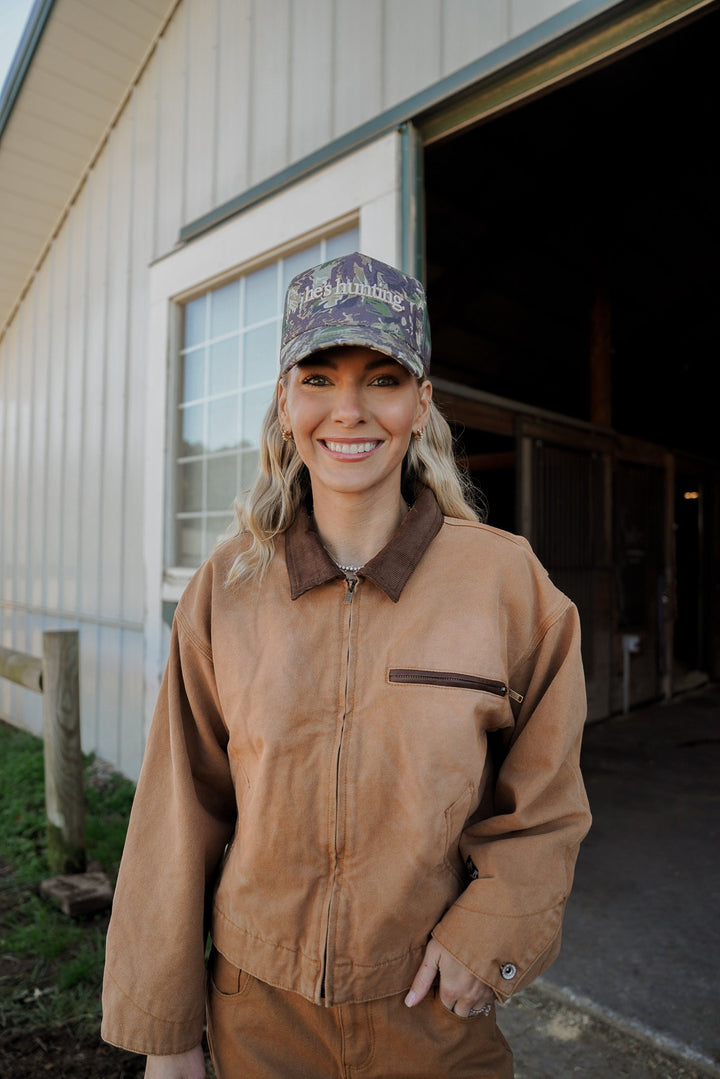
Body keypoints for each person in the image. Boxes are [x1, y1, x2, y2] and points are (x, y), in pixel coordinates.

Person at [102, 251, 591, 1079]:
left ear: (421, 402)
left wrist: (491, 934)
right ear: (285, 401)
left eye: (383, 377)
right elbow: (176, 817)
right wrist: (166, 1030)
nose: (350, 410)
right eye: (320, 378)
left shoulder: (507, 583)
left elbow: (545, 802)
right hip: (258, 1019)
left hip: (431, 1020)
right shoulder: (228, 588)